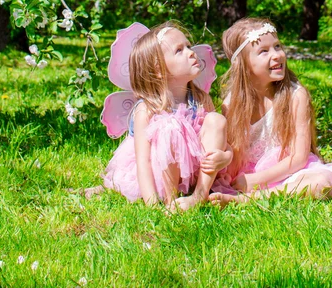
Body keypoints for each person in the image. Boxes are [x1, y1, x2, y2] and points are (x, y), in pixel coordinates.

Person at [88, 21, 231, 211]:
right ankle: (170, 202)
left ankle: (199, 195)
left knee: (216, 119)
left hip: (196, 171)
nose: (191, 52)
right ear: (158, 68)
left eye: (188, 46)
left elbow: (222, 142)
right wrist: (152, 205)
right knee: (170, 127)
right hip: (159, 175)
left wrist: (226, 157)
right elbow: (143, 162)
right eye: (179, 50)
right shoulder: (147, 109)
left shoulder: (200, 98)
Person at [210, 18, 332, 206]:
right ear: (243, 65)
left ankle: (246, 201)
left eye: (277, 46)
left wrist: (256, 181)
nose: (276, 55)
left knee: (320, 184)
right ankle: (248, 196)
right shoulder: (232, 103)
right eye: (264, 51)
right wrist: (228, 175)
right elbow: (234, 153)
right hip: (248, 174)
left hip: (290, 172)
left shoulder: (295, 96)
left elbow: (299, 158)